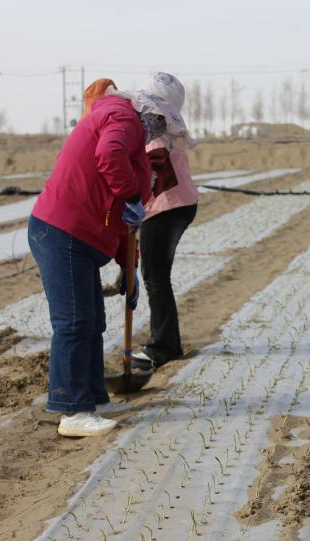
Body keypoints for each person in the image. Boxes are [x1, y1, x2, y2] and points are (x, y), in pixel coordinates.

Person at [29, 85, 167, 437]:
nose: (161, 130)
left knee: (92, 322)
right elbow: (108, 155)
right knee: (74, 322)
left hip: (81, 235)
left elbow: (123, 219)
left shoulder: (130, 133)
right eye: (161, 121)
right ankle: (72, 411)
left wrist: (128, 266)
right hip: (62, 230)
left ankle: (93, 397)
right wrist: (132, 194)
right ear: (151, 111)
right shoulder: (122, 117)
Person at [122, 73, 199, 371]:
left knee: (155, 277)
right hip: (180, 204)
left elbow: (156, 174)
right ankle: (168, 342)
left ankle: (163, 347)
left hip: (167, 208)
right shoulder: (166, 128)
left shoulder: (155, 129)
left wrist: (133, 203)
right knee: (157, 276)